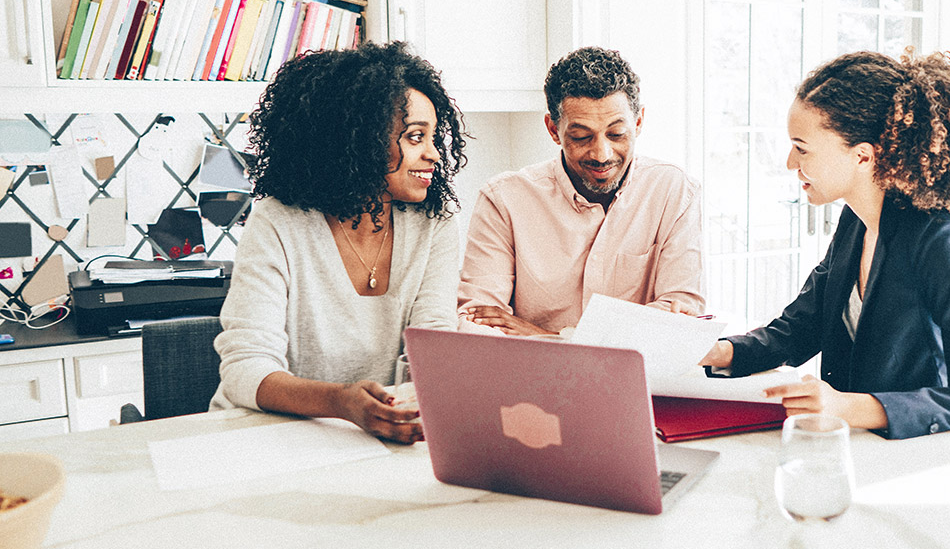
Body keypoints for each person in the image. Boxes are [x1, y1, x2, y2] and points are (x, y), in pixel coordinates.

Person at [700, 49, 950, 443]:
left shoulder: (938, 239)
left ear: (863, 156)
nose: (788, 162)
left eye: (802, 148)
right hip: (863, 448)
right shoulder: (855, 220)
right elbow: (802, 327)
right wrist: (717, 352)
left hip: (926, 456)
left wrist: (848, 408)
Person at [209, 41, 468, 443]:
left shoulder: (433, 225)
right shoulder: (278, 223)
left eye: (434, 137)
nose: (434, 153)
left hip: (375, 437)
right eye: (415, 137)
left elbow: (433, 351)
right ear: (359, 139)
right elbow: (246, 369)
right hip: (267, 438)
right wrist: (341, 403)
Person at [458, 46, 703, 336]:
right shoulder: (503, 200)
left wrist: (548, 337)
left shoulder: (674, 191)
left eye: (616, 134)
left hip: (636, 379)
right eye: (581, 137)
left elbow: (681, 316)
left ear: (638, 123)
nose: (602, 153)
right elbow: (478, 322)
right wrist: (632, 329)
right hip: (531, 378)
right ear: (553, 129)